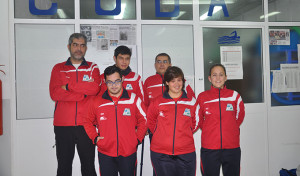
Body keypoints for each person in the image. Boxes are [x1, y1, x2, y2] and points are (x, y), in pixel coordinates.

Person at [49, 33, 101, 176]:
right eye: (75, 45)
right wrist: (83, 92)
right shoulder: (58, 68)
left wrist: (68, 86)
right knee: (64, 167)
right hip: (63, 126)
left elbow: (94, 89)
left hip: (87, 125)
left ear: (86, 48)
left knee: (89, 167)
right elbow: (55, 94)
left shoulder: (92, 67)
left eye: (82, 45)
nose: (79, 48)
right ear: (69, 47)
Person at [84, 65, 147, 176]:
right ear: (105, 82)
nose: (113, 86)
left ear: (122, 79)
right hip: (105, 153)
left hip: (128, 152)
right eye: (110, 82)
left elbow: (145, 119)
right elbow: (87, 121)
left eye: (117, 81)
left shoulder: (133, 99)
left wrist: (137, 139)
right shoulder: (97, 102)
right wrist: (95, 138)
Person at [195, 63, 245, 176]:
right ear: (209, 78)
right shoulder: (202, 97)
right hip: (210, 148)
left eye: (221, 75)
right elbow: (199, 120)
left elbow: (239, 117)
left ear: (226, 77)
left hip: (232, 147)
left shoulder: (234, 96)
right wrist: (209, 129)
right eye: (214, 75)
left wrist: (230, 128)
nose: (218, 78)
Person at [147, 66, 197, 176]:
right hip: (161, 154)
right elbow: (150, 121)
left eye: (179, 80)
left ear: (183, 82)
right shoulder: (157, 102)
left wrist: (186, 132)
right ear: (167, 83)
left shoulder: (191, 101)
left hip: (186, 153)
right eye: (173, 81)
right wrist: (159, 134)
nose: (177, 84)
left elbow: (196, 122)